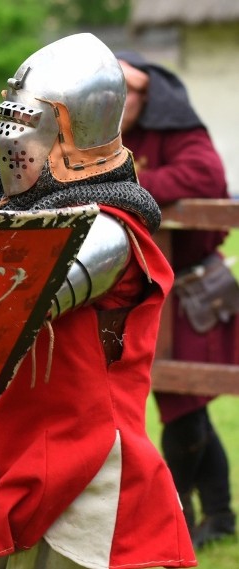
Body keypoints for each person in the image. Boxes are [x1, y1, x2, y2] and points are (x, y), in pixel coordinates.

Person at [0, 33, 196, 568]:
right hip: (4, 430)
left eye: (25, 120)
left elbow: (8, 301)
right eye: (8, 117)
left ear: (68, 129)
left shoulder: (109, 229)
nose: (8, 136)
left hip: (86, 450)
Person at [116, 50, 237, 549]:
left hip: (190, 286)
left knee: (184, 403)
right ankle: (220, 515)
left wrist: (125, 188)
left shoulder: (179, 130)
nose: (118, 99)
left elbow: (204, 179)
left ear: (151, 95)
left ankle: (183, 519)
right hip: (140, 286)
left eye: (128, 89)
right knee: (187, 407)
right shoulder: (96, 133)